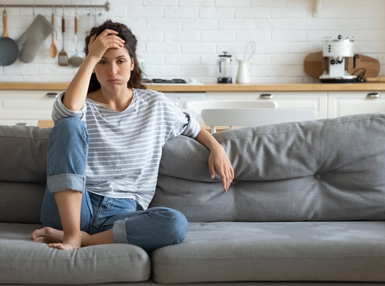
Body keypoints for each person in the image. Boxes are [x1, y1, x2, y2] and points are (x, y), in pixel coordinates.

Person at [30, 20, 234, 252]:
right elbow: (68, 112)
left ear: (132, 64)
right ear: (94, 66)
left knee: (175, 223)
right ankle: (72, 230)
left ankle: (78, 239)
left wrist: (217, 147)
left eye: (120, 61)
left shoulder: (155, 105)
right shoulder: (80, 104)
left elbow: (193, 127)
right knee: (68, 125)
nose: (112, 71)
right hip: (72, 205)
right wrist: (91, 55)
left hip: (121, 213)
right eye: (103, 62)